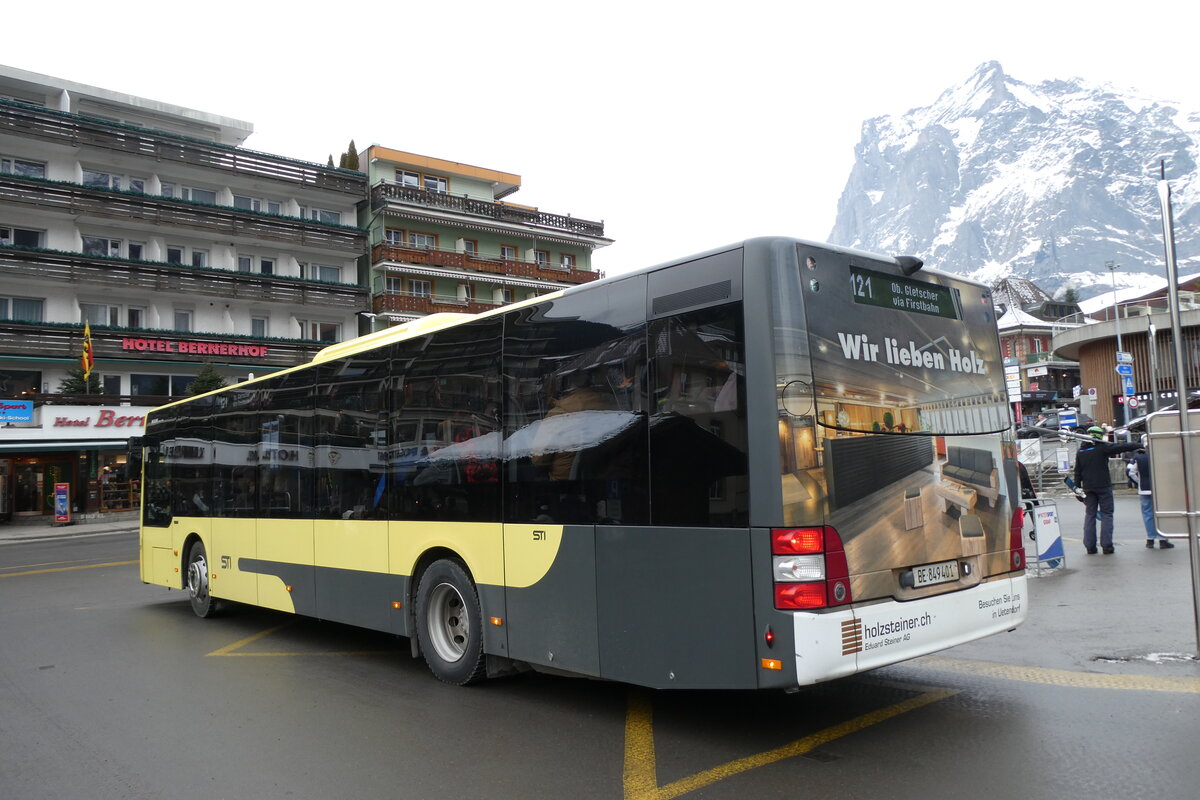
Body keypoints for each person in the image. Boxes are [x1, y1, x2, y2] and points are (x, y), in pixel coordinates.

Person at [1074, 425, 1140, 554]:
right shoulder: (1102, 448)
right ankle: (1107, 545)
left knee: (1090, 515)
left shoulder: (1080, 452)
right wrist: (1137, 444)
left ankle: (1090, 546)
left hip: (1088, 488)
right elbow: (1121, 447)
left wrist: (1077, 489)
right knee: (1107, 515)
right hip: (1103, 486)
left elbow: (1077, 472)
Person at [1130, 447, 1175, 549]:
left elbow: (1130, 471)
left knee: (1147, 514)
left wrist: (1139, 482)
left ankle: (1150, 539)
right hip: (1161, 489)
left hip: (1145, 490)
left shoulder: (1138, 457)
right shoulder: (1162, 456)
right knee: (1162, 514)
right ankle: (1163, 539)